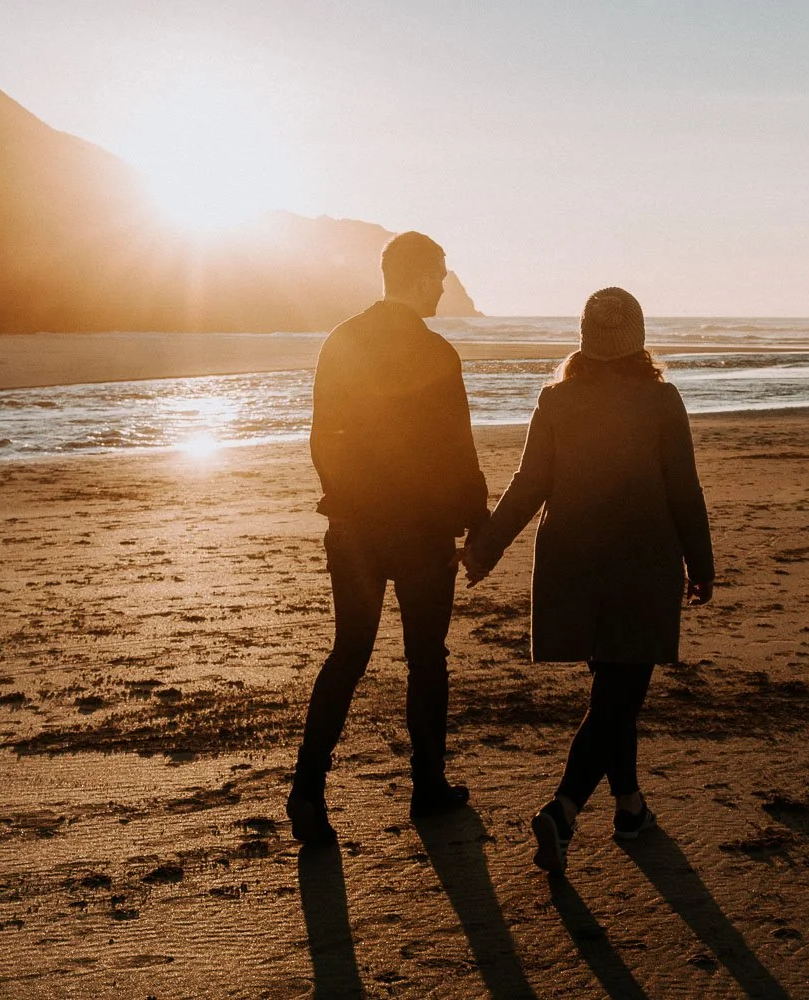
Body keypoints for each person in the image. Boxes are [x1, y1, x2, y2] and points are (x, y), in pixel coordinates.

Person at [462, 286, 713, 875]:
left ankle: (630, 809)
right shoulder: (661, 400)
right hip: (641, 563)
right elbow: (684, 489)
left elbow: (529, 485)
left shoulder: (556, 399)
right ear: (638, 340)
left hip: (572, 564)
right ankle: (565, 809)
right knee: (620, 696)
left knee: (613, 693)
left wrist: (485, 551)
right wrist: (701, 565)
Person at [287, 232, 490, 846]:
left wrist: (349, 499)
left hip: (354, 527)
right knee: (426, 657)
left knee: (349, 651)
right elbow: (458, 448)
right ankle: (427, 786)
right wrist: (477, 520)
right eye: (440, 275)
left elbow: (324, 436)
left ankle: (307, 789)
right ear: (419, 275)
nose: (444, 285)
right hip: (423, 531)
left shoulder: (343, 340)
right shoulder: (437, 354)